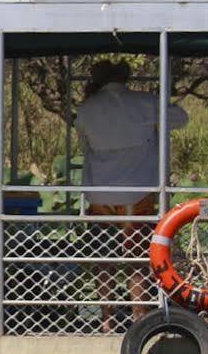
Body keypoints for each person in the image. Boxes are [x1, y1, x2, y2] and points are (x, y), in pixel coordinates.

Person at [74, 59, 188, 327]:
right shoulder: (144, 103)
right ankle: (139, 316)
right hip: (137, 194)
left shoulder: (87, 108)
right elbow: (181, 119)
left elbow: (84, 145)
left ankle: (107, 319)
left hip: (100, 194)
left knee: (105, 260)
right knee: (137, 258)